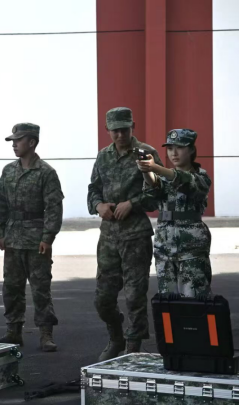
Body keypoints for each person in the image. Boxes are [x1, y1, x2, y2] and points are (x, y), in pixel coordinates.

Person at [87, 108, 163, 361]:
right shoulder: (103, 156)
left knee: (134, 297)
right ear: (107, 130)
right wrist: (98, 205)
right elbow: (93, 190)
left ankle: (133, 347)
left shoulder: (146, 153)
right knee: (103, 299)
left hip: (136, 236)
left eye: (124, 129)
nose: (120, 134)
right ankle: (116, 336)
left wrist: (132, 203)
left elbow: (158, 193)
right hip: (109, 237)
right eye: (115, 130)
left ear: (133, 127)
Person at [0, 123, 64, 352]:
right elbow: (1, 203)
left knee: (40, 288)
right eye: (13, 141)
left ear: (32, 142)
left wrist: (48, 237)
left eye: (18, 140)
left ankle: (46, 334)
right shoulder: (8, 171)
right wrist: (0, 232)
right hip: (13, 237)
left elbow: (53, 208)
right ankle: (13, 331)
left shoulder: (46, 172)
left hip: (36, 239)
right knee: (11, 287)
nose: (14, 144)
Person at [138, 129, 212, 297]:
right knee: (167, 301)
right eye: (170, 148)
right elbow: (152, 195)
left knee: (194, 298)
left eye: (180, 147)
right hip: (164, 246)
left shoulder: (201, 176)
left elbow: (186, 181)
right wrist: (146, 171)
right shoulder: (164, 177)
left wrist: (156, 168)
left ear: (191, 149)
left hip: (191, 248)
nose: (174, 153)